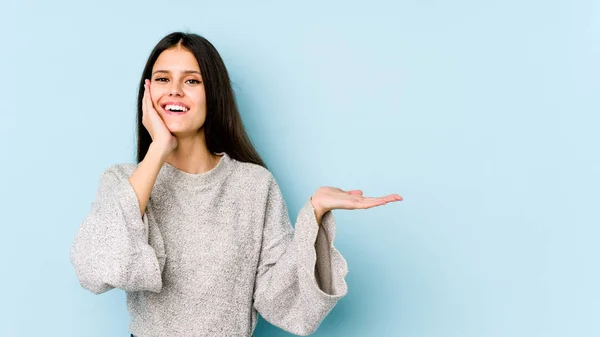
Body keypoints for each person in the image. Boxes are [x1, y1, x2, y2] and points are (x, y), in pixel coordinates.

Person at [69, 31, 403, 337]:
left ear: (212, 94)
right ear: (148, 92)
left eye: (192, 81)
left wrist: (313, 214)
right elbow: (95, 267)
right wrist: (158, 149)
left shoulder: (254, 185)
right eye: (162, 79)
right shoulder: (123, 182)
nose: (174, 90)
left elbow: (279, 298)